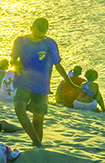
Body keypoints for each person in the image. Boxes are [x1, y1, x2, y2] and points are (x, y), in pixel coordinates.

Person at [11, 17, 72, 148]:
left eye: (41, 36)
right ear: (31, 28)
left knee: (38, 121)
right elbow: (13, 59)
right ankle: (38, 143)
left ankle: (36, 147)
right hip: (23, 82)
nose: (37, 38)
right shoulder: (20, 41)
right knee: (19, 109)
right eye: (35, 35)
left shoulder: (50, 44)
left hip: (41, 86)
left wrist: (70, 83)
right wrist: (17, 65)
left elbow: (58, 65)